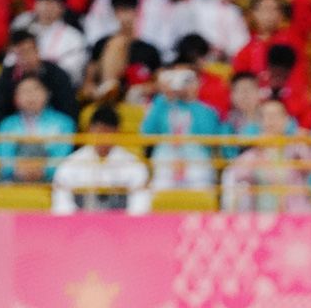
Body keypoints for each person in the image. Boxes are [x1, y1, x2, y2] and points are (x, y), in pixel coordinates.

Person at [52, 103, 151, 214]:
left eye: (108, 131)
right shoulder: (71, 164)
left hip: (121, 223)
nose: (104, 137)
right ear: (90, 129)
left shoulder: (134, 165)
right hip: (81, 222)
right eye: (99, 131)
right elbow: (62, 205)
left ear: (117, 131)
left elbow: (139, 206)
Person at [220, 96, 311, 214]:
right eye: (267, 115)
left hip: (294, 215)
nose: (272, 120)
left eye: (276, 115)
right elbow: (237, 174)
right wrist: (259, 150)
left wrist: (301, 141)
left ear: (286, 120)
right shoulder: (253, 152)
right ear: (260, 121)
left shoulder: (296, 148)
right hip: (262, 216)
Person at [142, 65, 222, 194]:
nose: (180, 84)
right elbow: (147, 133)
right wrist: (163, 98)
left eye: (186, 80)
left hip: (197, 164)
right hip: (165, 164)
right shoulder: (161, 107)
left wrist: (192, 100)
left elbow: (209, 136)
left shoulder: (207, 111)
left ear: (197, 82)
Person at [82, 0, 163, 105]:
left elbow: (159, 82)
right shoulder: (102, 44)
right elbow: (89, 80)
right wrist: (92, 90)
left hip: (135, 104)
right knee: (117, 43)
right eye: (121, 12)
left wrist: (141, 89)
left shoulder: (149, 49)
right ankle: (109, 89)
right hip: (104, 102)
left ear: (137, 13)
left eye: (130, 11)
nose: (126, 17)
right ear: (115, 14)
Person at [0, 71, 74, 182]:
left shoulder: (64, 123)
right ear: (16, 98)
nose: (31, 96)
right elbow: (4, 157)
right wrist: (18, 171)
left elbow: (62, 155)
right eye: (24, 91)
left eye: (35, 89)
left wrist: (44, 171)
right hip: (14, 180)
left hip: (52, 180)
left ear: (47, 93)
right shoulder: (7, 124)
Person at [0, 28, 78, 121]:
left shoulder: (56, 74)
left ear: (37, 51)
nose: (24, 57)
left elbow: (68, 107)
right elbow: (0, 109)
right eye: (19, 53)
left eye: (28, 51)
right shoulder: (7, 76)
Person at [12, 0, 88, 86]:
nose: (46, 7)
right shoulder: (21, 24)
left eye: (52, 2)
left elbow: (72, 74)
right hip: (19, 83)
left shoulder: (74, 38)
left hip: (54, 85)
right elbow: (10, 58)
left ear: (62, 8)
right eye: (42, 1)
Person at [232, 0, 307, 80]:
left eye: (275, 9)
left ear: (282, 14)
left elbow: (302, 1)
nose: (271, 14)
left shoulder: (291, 39)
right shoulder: (245, 50)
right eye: (266, 9)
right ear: (253, 13)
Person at [173, 34, 232, 118]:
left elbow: (220, 115)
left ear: (204, 57)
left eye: (198, 58)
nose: (195, 63)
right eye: (190, 59)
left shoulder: (216, 83)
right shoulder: (172, 83)